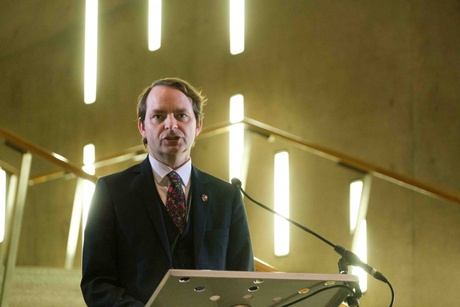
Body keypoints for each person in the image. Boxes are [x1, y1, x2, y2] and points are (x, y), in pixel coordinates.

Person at [80, 77, 254, 306]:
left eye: (181, 115)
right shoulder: (111, 192)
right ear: (142, 126)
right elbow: (97, 283)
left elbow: (244, 282)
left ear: (198, 125)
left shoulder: (227, 197)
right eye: (158, 116)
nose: (171, 125)